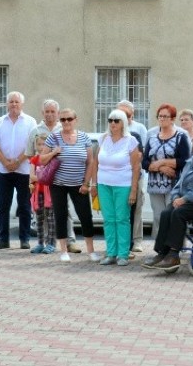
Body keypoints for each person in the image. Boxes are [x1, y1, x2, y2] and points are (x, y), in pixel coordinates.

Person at [142, 131, 193, 271]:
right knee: (166, 213)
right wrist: (175, 197)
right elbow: (179, 184)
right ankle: (162, 253)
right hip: (184, 201)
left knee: (178, 213)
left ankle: (174, 254)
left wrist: (185, 199)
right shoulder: (190, 161)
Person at [42, 108, 100, 262]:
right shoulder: (53, 137)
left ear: (75, 120)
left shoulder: (83, 137)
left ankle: (91, 250)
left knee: (85, 216)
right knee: (60, 216)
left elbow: (90, 162)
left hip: (79, 184)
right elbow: (41, 159)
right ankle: (63, 251)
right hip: (58, 184)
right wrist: (53, 152)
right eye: (62, 120)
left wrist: (86, 183)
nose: (66, 122)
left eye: (69, 119)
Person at [27, 99, 81, 253]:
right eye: (47, 111)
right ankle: (45, 242)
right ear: (42, 113)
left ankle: (70, 241)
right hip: (41, 181)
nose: (50, 114)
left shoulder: (64, 128)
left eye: (53, 112)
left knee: (65, 210)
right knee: (43, 212)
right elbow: (30, 155)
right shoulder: (35, 130)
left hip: (61, 177)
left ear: (58, 114)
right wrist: (31, 179)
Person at [91, 109, 142, 266]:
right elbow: (95, 163)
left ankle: (123, 254)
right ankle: (111, 253)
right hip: (104, 185)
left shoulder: (131, 141)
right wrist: (94, 184)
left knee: (122, 219)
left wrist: (133, 189)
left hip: (123, 185)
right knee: (108, 220)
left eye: (116, 120)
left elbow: (136, 167)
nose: (112, 123)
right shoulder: (103, 139)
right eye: (110, 120)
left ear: (123, 123)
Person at [0, 91, 37, 250]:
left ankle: (25, 239)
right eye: (11, 102)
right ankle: (3, 239)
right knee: (3, 206)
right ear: (7, 104)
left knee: (24, 206)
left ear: (22, 104)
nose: (14, 104)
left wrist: (17, 161)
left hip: (23, 170)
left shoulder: (30, 122)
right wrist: (5, 162)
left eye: (17, 102)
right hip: (4, 171)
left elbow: (33, 145)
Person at [143, 104, 191, 239]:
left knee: (173, 215)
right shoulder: (152, 136)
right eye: (160, 116)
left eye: (165, 116)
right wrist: (161, 167)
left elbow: (184, 160)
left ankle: (175, 248)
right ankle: (161, 249)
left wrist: (162, 162)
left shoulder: (181, 136)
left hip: (174, 184)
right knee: (159, 216)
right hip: (155, 184)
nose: (162, 119)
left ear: (173, 119)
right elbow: (145, 162)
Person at [116, 100, 146, 251]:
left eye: (125, 114)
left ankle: (137, 240)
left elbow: (141, 153)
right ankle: (121, 241)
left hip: (136, 174)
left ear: (131, 115)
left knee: (137, 207)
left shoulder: (138, 129)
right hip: (118, 177)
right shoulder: (113, 129)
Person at [29, 134, 57, 254]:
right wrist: (42, 177)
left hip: (50, 193)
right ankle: (40, 243)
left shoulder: (52, 159)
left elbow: (51, 177)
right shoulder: (34, 159)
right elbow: (31, 176)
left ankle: (51, 244)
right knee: (39, 218)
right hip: (38, 193)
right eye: (39, 144)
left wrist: (39, 177)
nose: (41, 147)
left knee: (51, 219)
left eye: (44, 144)